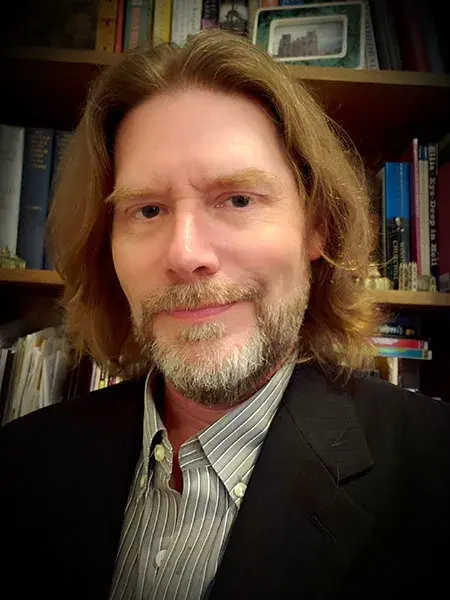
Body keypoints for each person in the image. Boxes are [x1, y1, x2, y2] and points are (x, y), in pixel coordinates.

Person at [1, 28, 450, 600]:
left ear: (316, 227)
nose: (186, 254)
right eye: (147, 210)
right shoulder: (20, 463)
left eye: (238, 199)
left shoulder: (435, 471)